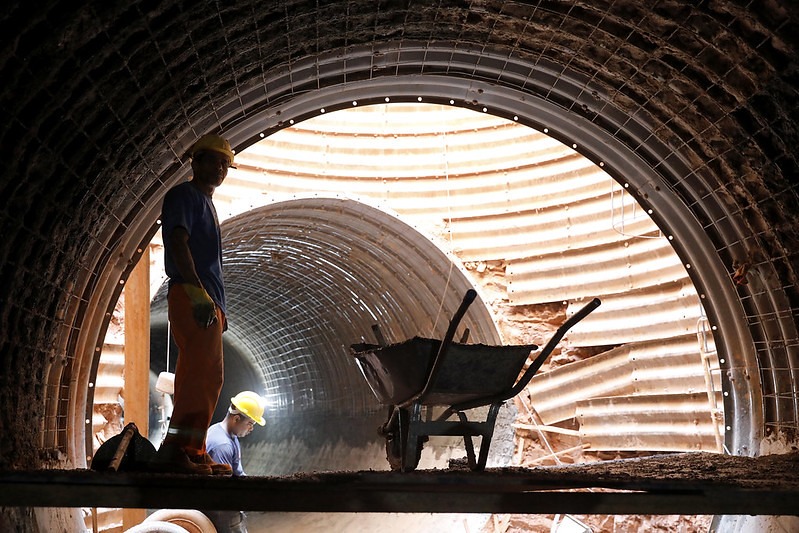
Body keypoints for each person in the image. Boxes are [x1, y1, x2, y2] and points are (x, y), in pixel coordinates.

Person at [152, 133, 235, 476]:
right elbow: (177, 239)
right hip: (192, 295)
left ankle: (193, 450)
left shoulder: (207, 203)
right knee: (202, 377)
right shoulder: (184, 195)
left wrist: (218, 307)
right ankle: (177, 452)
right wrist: (198, 293)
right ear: (195, 161)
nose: (219, 168)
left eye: (225, 164)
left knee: (204, 378)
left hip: (206, 300)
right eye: (213, 161)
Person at [204, 391, 266, 532]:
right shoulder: (222, 446)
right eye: (250, 423)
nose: (251, 428)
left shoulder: (226, 433)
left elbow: (237, 472)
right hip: (222, 511)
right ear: (236, 419)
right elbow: (221, 490)